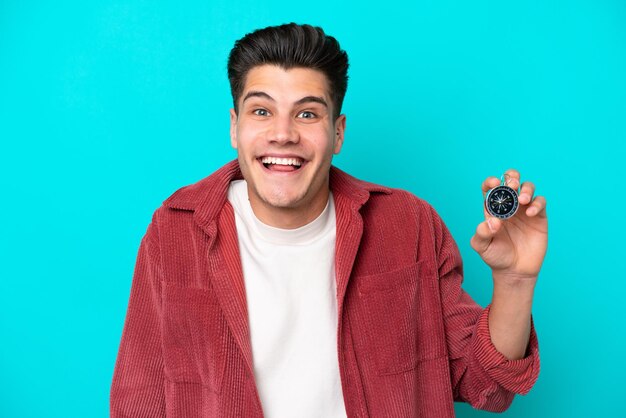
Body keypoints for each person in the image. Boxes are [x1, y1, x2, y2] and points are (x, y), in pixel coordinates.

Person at [110, 23, 547, 418]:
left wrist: (514, 281)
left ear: (337, 132)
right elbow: (138, 402)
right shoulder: (175, 230)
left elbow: (488, 384)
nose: (283, 133)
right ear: (234, 126)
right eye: (261, 111)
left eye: (306, 113)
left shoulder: (408, 224)